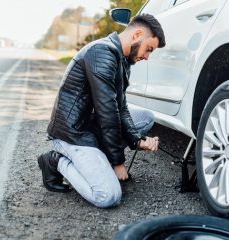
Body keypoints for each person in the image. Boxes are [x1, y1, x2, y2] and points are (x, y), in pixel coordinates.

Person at [37, 14, 165, 208]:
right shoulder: (102, 53)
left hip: (91, 125)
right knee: (108, 196)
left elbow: (120, 108)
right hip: (73, 133)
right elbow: (108, 113)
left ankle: (99, 159)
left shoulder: (123, 59)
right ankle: (55, 161)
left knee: (146, 118)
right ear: (137, 34)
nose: (147, 57)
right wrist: (118, 163)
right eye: (149, 49)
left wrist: (137, 140)